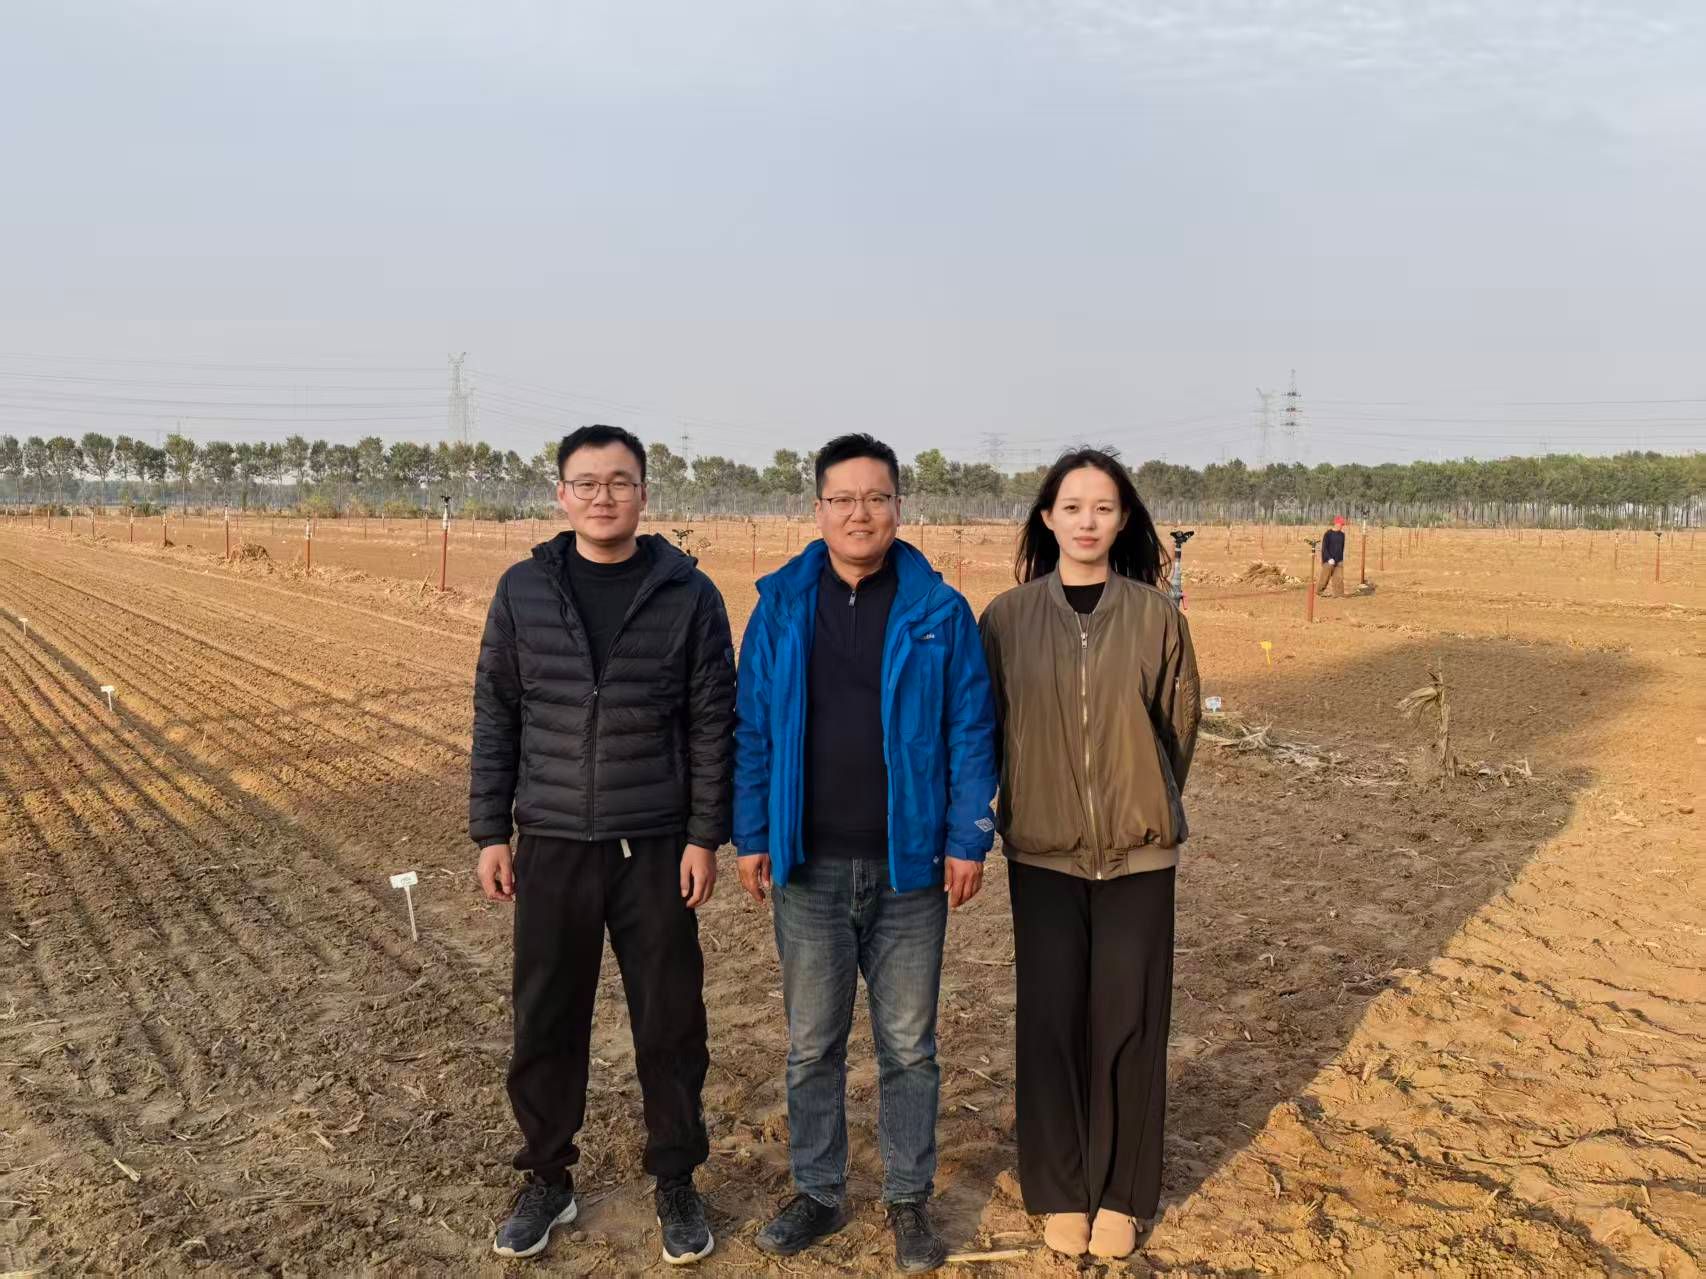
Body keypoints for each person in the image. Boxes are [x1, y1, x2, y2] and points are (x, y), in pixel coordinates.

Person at [732, 434, 999, 1275]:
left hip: (909, 869)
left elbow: (971, 731)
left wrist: (967, 837)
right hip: (808, 865)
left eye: (876, 498)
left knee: (909, 1045)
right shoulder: (781, 607)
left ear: (898, 508)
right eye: (843, 499)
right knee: (812, 1043)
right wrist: (753, 833)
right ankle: (818, 1191)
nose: (861, 513)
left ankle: (908, 1199)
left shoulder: (939, 612)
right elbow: (753, 728)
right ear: (818, 509)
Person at [470, 424, 735, 1265]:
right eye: (586, 482)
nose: (603, 496)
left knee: (671, 1020)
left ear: (644, 493)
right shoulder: (523, 590)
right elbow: (496, 713)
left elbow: (712, 724)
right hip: (551, 841)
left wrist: (704, 836)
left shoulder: (689, 594)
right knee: (546, 1018)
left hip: (653, 844)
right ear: (561, 495)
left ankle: (676, 1177)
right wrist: (490, 830)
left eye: (620, 481)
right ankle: (548, 1176)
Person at [978, 448, 1201, 1261]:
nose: (1087, 521)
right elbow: (989, 727)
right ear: (1047, 517)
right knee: (1051, 1020)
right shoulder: (1005, 618)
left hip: (1139, 855)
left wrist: (1143, 799)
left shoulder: (1155, 616)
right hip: (1042, 852)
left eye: (1103, 507)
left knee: (1130, 1021)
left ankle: (1122, 1193)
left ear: (1123, 518)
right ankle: (1060, 1186)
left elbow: (1178, 726)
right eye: (1072, 506)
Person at [1318, 515, 1348, 596]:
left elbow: (1342, 547)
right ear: (1336, 523)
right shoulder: (1328, 534)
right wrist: (1329, 558)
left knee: (1339, 578)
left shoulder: (1342, 535)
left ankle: (1339, 594)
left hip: (1339, 560)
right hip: (1328, 561)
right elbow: (1324, 548)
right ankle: (1320, 591)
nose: (1342, 526)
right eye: (1341, 524)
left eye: (1342, 524)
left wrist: (1341, 559)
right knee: (1325, 577)